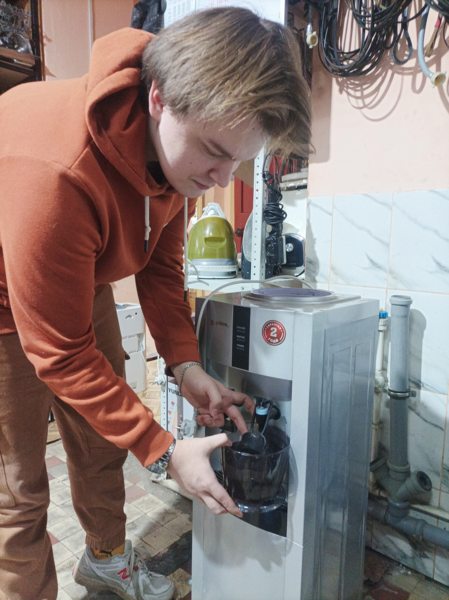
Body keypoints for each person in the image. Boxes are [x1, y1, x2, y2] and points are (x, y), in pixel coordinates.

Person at [0, 6, 311, 600]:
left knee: (101, 442)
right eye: (214, 151)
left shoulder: (176, 159)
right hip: (1, 298)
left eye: (238, 160)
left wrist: (186, 366)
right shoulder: (56, 171)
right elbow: (60, 354)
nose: (222, 175)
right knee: (18, 490)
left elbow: (161, 270)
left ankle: (106, 560)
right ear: (159, 99)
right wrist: (165, 453)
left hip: (75, 273)